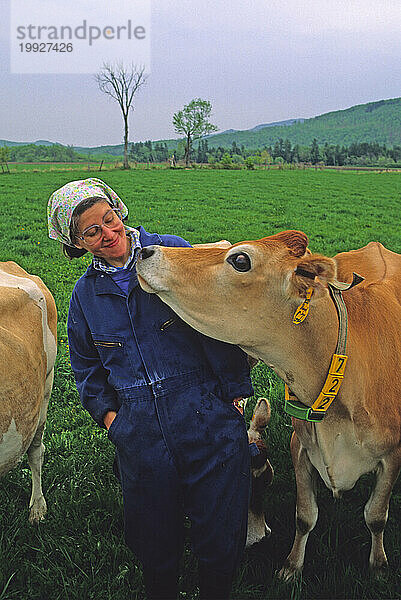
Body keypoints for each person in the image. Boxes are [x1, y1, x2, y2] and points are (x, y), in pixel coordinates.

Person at [47, 178, 253, 600]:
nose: (109, 234)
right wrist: (114, 421)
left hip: (205, 413)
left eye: (109, 219)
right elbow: (86, 368)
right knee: (153, 538)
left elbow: (217, 320)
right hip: (138, 429)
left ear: (119, 211)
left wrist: (232, 394)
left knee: (220, 529)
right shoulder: (86, 296)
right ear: (76, 243)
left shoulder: (171, 252)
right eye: (92, 232)